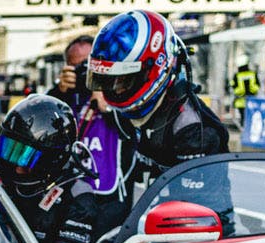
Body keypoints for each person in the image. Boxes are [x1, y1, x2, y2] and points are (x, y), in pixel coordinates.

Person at [88, 10, 229, 176]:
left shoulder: (192, 130)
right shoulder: (125, 113)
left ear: (154, 69)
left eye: (124, 80)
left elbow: (196, 200)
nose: (115, 90)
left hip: (183, 200)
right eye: (109, 80)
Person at [0, 94, 105, 243]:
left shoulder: (78, 198)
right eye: (10, 151)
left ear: (53, 159)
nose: (16, 167)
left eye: (26, 158)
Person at [47, 34, 138, 212]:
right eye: (76, 66)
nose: (84, 71)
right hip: (69, 194)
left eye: (88, 65)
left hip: (109, 200)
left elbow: (134, 132)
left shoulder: (120, 95)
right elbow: (42, 131)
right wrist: (58, 92)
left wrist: (108, 103)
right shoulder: (60, 99)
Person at [231, 57, 260, 128]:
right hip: (252, 100)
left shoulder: (237, 75)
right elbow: (258, 85)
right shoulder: (253, 74)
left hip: (241, 101)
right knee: (250, 118)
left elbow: (232, 86)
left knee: (243, 118)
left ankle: (244, 132)